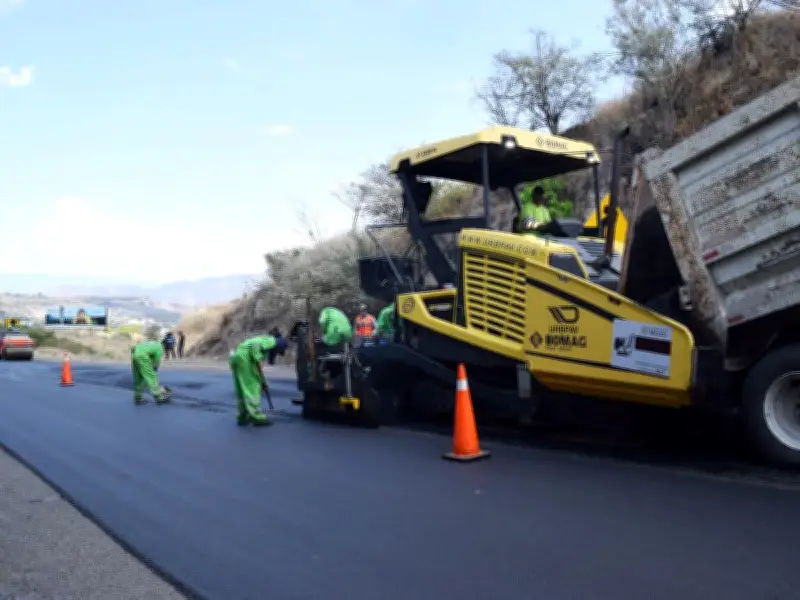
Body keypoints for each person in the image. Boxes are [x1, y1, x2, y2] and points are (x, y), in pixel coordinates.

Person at [229, 334, 289, 426]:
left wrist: (263, 382)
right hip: (245, 359)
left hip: (237, 357)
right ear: (279, 346)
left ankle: (243, 416)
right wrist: (259, 360)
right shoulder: (271, 341)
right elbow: (255, 345)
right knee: (252, 387)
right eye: (279, 351)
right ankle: (257, 417)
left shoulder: (264, 340)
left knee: (242, 388)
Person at [131, 339, 171, 405]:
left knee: (138, 378)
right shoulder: (160, 348)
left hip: (134, 353)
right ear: (165, 347)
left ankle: (138, 398)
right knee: (151, 377)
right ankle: (159, 397)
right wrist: (153, 372)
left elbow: (137, 348)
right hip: (142, 356)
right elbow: (155, 364)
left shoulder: (154, 343)